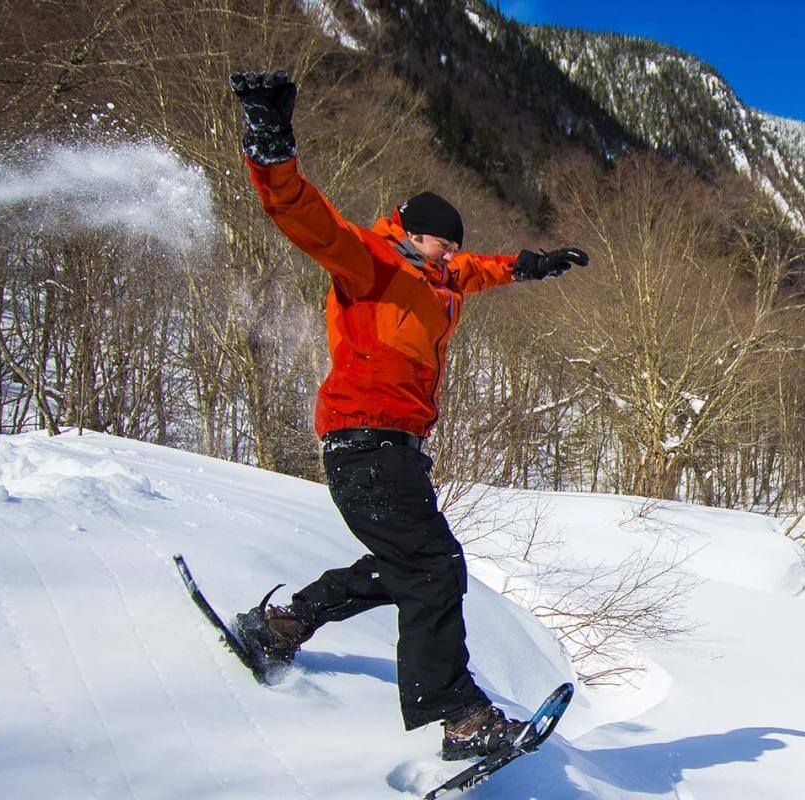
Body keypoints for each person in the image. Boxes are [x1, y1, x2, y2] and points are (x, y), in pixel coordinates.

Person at [225, 70, 589, 761]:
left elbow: (478, 269)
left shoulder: (439, 278)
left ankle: (281, 625)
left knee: (405, 566)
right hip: (363, 439)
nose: (453, 256)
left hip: (392, 448)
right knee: (434, 567)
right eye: (443, 245)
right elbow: (303, 216)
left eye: (454, 248)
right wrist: (271, 148)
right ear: (410, 235)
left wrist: (533, 265)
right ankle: (458, 715)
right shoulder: (369, 262)